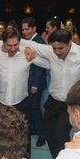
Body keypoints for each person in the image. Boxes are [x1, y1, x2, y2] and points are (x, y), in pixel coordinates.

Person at [20, 29, 80, 159]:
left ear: (69, 43)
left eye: (61, 48)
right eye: (54, 48)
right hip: (53, 101)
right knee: (49, 134)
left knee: (60, 134)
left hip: (72, 103)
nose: (57, 52)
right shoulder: (50, 51)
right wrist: (27, 48)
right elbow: (29, 43)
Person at [21, 17, 48, 147]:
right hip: (29, 80)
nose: (24, 31)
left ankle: (42, 133)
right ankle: (35, 129)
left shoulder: (39, 42)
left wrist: (35, 84)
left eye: (27, 29)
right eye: (23, 29)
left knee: (36, 108)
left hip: (35, 83)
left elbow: (40, 65)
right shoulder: (28, 41)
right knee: (32, 108)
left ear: (34, 29)